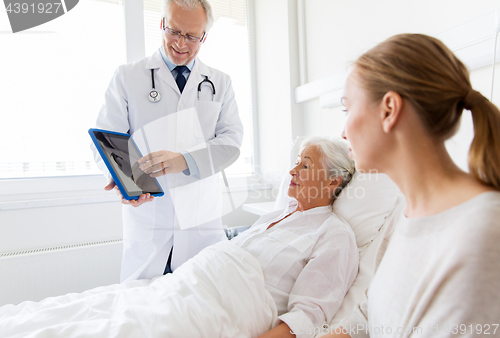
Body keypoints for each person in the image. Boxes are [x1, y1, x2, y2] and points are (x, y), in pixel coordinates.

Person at [1, 137, 358, 338]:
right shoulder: (277, 214)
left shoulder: (334, 235)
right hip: (186, 286)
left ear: (332, 181)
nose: (292, 171)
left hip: (223, 309)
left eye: (305, 165)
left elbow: (309, 316)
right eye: (296, 161)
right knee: (74, 314)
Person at [323, 33, 500, 337]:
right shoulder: (405, 212)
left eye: (347, 109)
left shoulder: (482, 232)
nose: (342, 131)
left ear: (389, 110)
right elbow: (367, 317)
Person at [92, 0, 244, 282]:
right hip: (149, 218)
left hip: (201, 223)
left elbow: (231, 143)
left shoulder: (220, 82)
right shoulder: (128, 76)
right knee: (142, 310)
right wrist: (126, 182)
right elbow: (106, 137)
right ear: (162, 23)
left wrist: (184, 160)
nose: (180, 43)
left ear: (204, 37)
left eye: (191, 36)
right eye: (174, 31)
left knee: (202, 307)